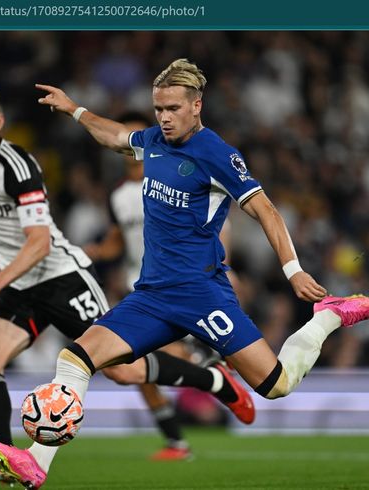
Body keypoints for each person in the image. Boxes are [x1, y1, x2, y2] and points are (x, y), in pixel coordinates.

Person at [0, 59, 369, 489]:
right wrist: (75, 110)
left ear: (197, 105)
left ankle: (328, 316)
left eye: (173, 108)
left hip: (203, 294)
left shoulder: (218, 154)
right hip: (152, 296)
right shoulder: (153, 141)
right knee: (75, 358)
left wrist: (294, 271)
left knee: (276, 385)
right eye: (159, 109)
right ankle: (36, 463)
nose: (164, 118)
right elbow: (114, 136)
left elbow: (266, 209)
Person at [0, 86, 255, 484]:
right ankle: (2, 455)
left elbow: (39, 242)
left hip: (60, 277)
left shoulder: (18, 165)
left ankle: (215, 380)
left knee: (123, 372)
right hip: (16, 280)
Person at [86, 110, 233, 461]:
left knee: (146, 360)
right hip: (142, 288)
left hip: (181, 283)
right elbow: (116, 242)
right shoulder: (118, 195)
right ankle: (177, 439)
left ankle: (209, 370)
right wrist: (83, 251)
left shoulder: (172, 177)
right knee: (128, 367)